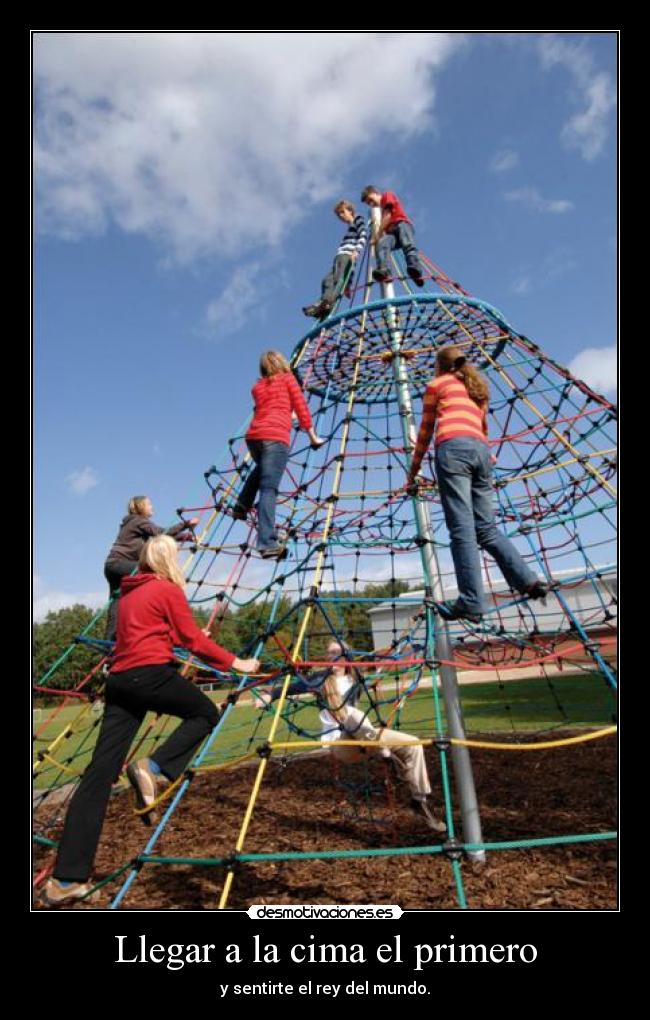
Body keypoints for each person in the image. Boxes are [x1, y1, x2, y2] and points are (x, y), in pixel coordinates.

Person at [42, 534, 259, 907]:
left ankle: (66, 878)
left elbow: (164, 634)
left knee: (97, 775)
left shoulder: (130, 594)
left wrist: (187, 637)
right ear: (168, 560)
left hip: (120, 683)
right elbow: (189, 639)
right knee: (205, 712)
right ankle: (153, 766)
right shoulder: (166, 589)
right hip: (149, 676)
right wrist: (235, 662)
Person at [407, 345, 549, 622]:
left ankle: (471, 601)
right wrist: (486, 453)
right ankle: (528, 581)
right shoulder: (477, 389)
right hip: (480, 452)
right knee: (486, 528)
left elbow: (425, 430)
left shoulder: (436, 385)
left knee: (462, 529)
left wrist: (413, 469)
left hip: (453, 450)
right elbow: (481, 429)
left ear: (440, 366)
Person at [259, 640, 445, 833]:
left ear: (347, 656)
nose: (333, 657)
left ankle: (419, 801)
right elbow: (289, 688)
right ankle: (386, 755)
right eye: (330, 653)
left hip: (365, 737)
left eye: (337, 652)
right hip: (342, 744)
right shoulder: (320, 680)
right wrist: (268, 694)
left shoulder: (357, 678)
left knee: (414, 744)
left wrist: (413, 648)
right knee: (351, 713)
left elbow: (383, 661)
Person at [232, 351, 325, 559]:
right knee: (269, 489)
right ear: (282, 363)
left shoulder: (257, 387)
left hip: (254, 437)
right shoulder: (288, 379)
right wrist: (312, 437)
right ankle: (266, 543)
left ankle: (241, 505)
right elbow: (301, 408)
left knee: (263, 469)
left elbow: (267, 408)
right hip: (275, 437)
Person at [104, 495, 199, 643]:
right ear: (141, 506)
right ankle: (163, 625)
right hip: (123, 564)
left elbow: (155, 537)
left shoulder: (132, 523)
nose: (152, 507)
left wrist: (183, 537)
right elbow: (160, 533)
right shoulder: (139, 520)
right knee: (158, 576)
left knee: (117, 603)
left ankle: (109, 645)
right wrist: (185, 524)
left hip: (112, 566)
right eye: (149, 504)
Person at [303, 200, 369, 320]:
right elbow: (347, 271)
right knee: (326, 281)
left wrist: (357, 250)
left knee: (339, 280)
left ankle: (328, 304)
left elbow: (363, 234)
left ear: (350, 210)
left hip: (346, 256)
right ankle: (321, 304)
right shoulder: (349, 229)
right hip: (339, 257)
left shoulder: (358, 219)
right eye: (339, 215)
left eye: (343, 212)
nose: (342, 216)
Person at [360, 185, 425, 287]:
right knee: (383, 244)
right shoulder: (380, 211)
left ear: (376, 193)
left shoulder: (387, 195)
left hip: (401, 224)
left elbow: (388, 216)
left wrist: (377, 235)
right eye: (369, 203)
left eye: (371, 200)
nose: (372, 204)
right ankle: (384, 270)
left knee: (407, 244)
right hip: (392, 234)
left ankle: (415, 268)